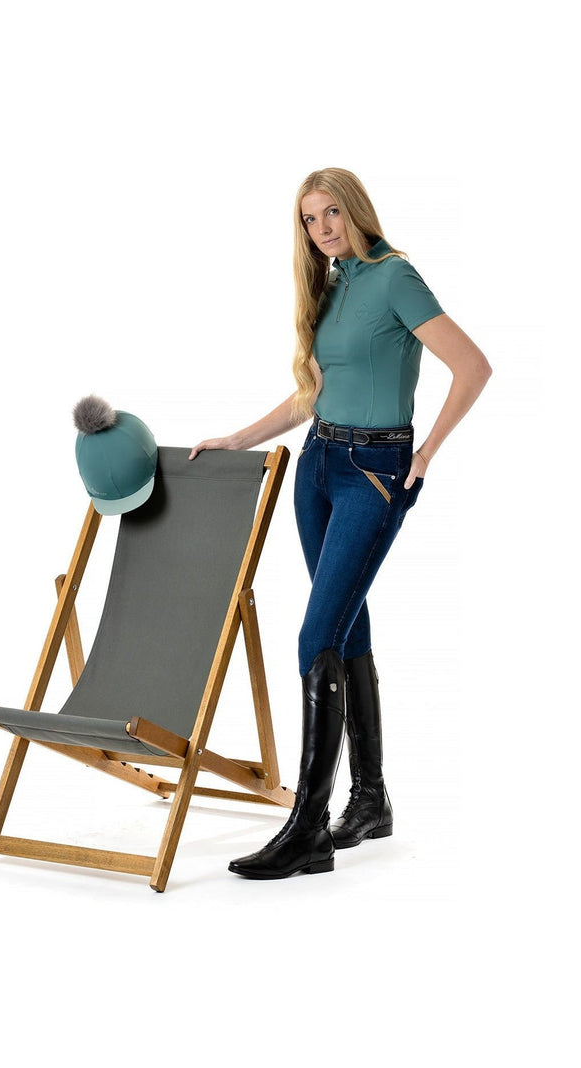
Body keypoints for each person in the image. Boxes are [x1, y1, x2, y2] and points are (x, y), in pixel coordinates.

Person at [190, 168, 491, 879]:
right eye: (309, 219)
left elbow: (473, 367)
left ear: (355, 211)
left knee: (316, 636)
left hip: (374, 472)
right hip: (319, 465)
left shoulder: (395, 277)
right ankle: (371, 800)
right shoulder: (332, 286)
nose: (322, 228)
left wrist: (424, 453)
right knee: (346, 625)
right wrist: (239, 438)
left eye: (331, 213)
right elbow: (314, 393)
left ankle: (309, 829)